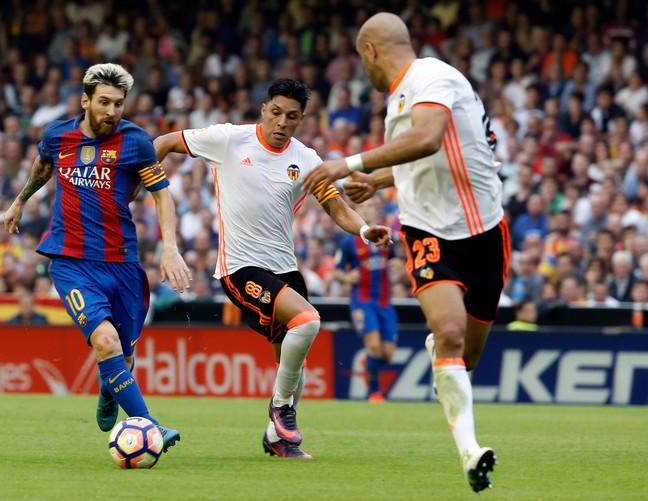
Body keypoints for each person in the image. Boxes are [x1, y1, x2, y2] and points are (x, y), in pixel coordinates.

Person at [301, 13, 509, 492]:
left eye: (361, 60)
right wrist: (376, 179)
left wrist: (346, 163)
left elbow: (429, 138)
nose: (364, 73)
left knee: (466, 354)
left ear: (371, 51)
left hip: (483, 232)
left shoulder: (430, 76)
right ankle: (471, 453)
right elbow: (423, 158)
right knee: (452, 333)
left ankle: (444, 352)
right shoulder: (405, 94)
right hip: (427, 230)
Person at [153, 78, 393, 459]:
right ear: (264, 109)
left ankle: (276, 438)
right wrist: (140, 183)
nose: (282, 122)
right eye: (276, 112)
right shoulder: (228, 139)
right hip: (240, 268)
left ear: (301, 119)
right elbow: (164, 143)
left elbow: (335, 206)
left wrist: (364, 229)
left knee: (290, 363)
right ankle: (281, 408)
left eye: (292, 116)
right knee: (309, 321)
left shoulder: (308, 159)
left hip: (285, 269)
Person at [4, 63, 191, 454]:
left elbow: (161, 194)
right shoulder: (58, 135)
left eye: (119, 104)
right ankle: (151, 427)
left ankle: (110, 388)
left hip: (122, 263)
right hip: (71, 261)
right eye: (104, 102)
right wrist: (20, 201)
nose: (111, 111)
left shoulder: (136, 142)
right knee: (105, 342)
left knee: (122, 354)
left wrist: (170, 248)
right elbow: (42, 167)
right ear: (85, 101)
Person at [334, 198, 397, 402]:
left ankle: (368, 364)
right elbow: (337, 272)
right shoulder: (348, 242)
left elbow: (395, 259)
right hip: (362, 301)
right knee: (374, 348)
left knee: (387, 354)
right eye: (363, 207)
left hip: (385, 302)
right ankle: (374, 393)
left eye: (371, 206)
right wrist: (347, 277)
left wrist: (398, 267)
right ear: (357, 211)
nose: (368, 210)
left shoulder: (387, 236)